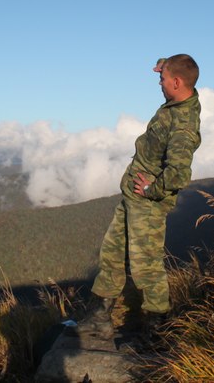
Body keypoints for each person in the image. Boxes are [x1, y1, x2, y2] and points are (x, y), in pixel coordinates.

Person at [84, 54, 202, 341]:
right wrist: (165, 63)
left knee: (146, 265)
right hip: (132, 197)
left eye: (163, 79)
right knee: (112, 253)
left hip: (147, 203)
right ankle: (99, 317)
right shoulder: (180, 99)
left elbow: (179, 174)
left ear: (177, 83)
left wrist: (151, 190)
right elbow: (180, 68)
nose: (160, 83)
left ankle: (157, 332)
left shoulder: (183, 125)